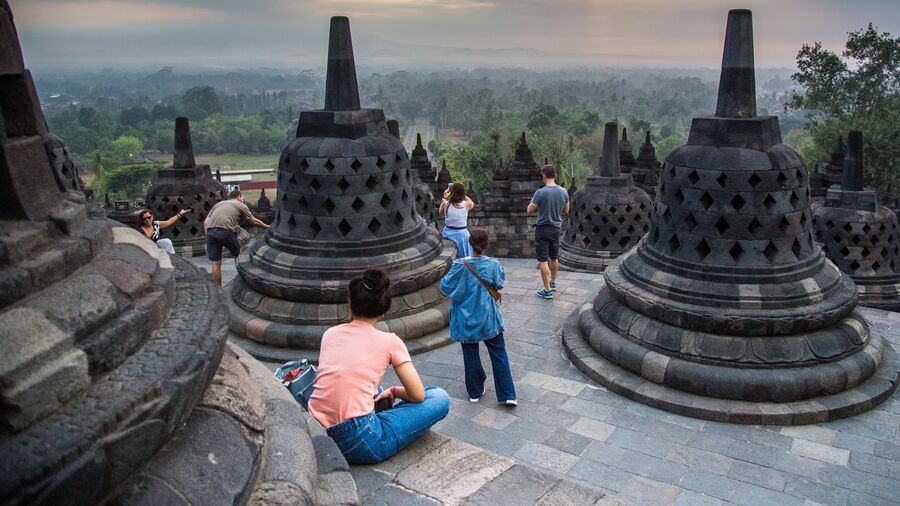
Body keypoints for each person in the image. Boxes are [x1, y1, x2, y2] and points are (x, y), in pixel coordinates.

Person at [308, 269, 450, 464]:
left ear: (350, 303)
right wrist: (394, 391)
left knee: (377, 391)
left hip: (317, 427)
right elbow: (417, 395)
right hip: (359, 439)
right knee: (438, 397)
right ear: (384, 309)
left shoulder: (330, 334)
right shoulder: (390, 341)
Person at [439, 228, 517, 406]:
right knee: (498, 352)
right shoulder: (493, 265)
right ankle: (507, 394)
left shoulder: (460, 265)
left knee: (470, 353)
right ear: (487, 244)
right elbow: (499, 284)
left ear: (470, 243)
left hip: (466, 318)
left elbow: (444, 287)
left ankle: (474, 391)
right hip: (488, 316)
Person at [204, 189, 269, 285]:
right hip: (225, 231)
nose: (243, 199)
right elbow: (254, 221)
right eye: (242, 197)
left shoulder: (218, 204)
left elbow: (206, 222)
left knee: (215, 263)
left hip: (210, 233)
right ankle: (243, 281)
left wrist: (209, 236)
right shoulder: (240, 204)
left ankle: (218, 289)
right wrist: (268, 226)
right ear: (239, 197)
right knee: (239, 255)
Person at [527, 165, 570, 299]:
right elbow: (566, 210)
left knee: (543, 260)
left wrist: (534, 204)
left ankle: (546, 290)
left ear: (544, 176)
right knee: (554, 256)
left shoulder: (540, 192)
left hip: (543, 228)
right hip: (556, 228)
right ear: (555, 175)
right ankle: (552, 283)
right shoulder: (563, 191)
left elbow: (529, 210)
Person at [439, 182, 475, 258]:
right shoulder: (466, 204)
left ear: (451, 192)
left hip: (448, 233)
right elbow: (472, 202)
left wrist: (445, 198)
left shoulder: (446, 204)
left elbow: (440, 212)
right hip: (462, 235)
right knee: (464, 258)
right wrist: (462, 194)